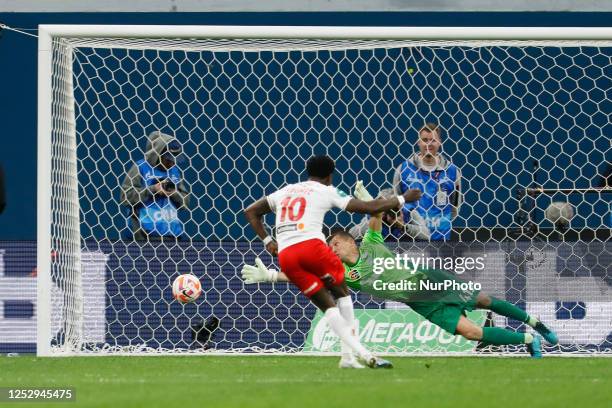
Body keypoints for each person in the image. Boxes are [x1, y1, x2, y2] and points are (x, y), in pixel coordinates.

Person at [243, 181, 558, 358]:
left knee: (484, 301)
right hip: (420, 303)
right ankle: (528, 340)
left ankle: (536, 322)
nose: (332, 249)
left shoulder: (371, 243)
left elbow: (375, 217)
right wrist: (271, 275)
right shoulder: (344, 275)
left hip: (432, 281)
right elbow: (306, 277)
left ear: (346, 241)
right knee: (471, 332)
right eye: (329, 248)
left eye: (334, 244)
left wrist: (371, 201)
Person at [244, 155, 421, 368]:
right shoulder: (326, 190)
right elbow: (369, 208)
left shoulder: (286, 190)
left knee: (327, 306)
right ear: (330, 175)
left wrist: (268, 241)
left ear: (308, 172)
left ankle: (348, 358)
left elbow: (251, 211)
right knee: (342, 294)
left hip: (287, 255)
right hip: (312, 248)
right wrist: (404, 198)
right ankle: (362, 355)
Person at [393, 122, 462, 241]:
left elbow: (455, 207)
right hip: (411, 240)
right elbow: (395, 203)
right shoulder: (403, 169)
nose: (428, 144)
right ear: (418, 142)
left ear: (439, 142)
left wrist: (439, 223)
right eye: (425, 140)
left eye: (433, 140)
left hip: (441, 240)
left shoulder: (452, 171)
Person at [120, 131, 190, 241]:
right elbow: (125, 197)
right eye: (168, 159)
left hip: (172, 236)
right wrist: (153, 189)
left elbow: (185, 202)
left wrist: (174, 193)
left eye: (175, 159)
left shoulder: (174, 171)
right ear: (158, 153)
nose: (172, 163)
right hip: (144, 237)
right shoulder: (141, 167)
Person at [349, 188, 429, 240]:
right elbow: (351, 235)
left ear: (400, 204)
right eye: (385, 206)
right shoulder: (373, 215)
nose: (390, 209)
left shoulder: (409, 213)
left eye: (393, 205)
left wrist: (404, 227)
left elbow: (426, 235)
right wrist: (376, 218)